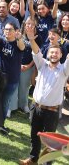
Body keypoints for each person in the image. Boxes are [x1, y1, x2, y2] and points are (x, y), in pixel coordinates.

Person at [19, 25, 69, 165]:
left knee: (50, 140)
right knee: (34, 135)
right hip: (36, 107)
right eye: (51, 52)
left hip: (52, 111)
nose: (53, 54)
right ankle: (33, 158)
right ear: (48, 54)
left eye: (56, 53)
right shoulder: (42, 64)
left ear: (61, 55)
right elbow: (36, 52)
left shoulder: (64, 71)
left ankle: (47, 163)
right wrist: (30, 39)